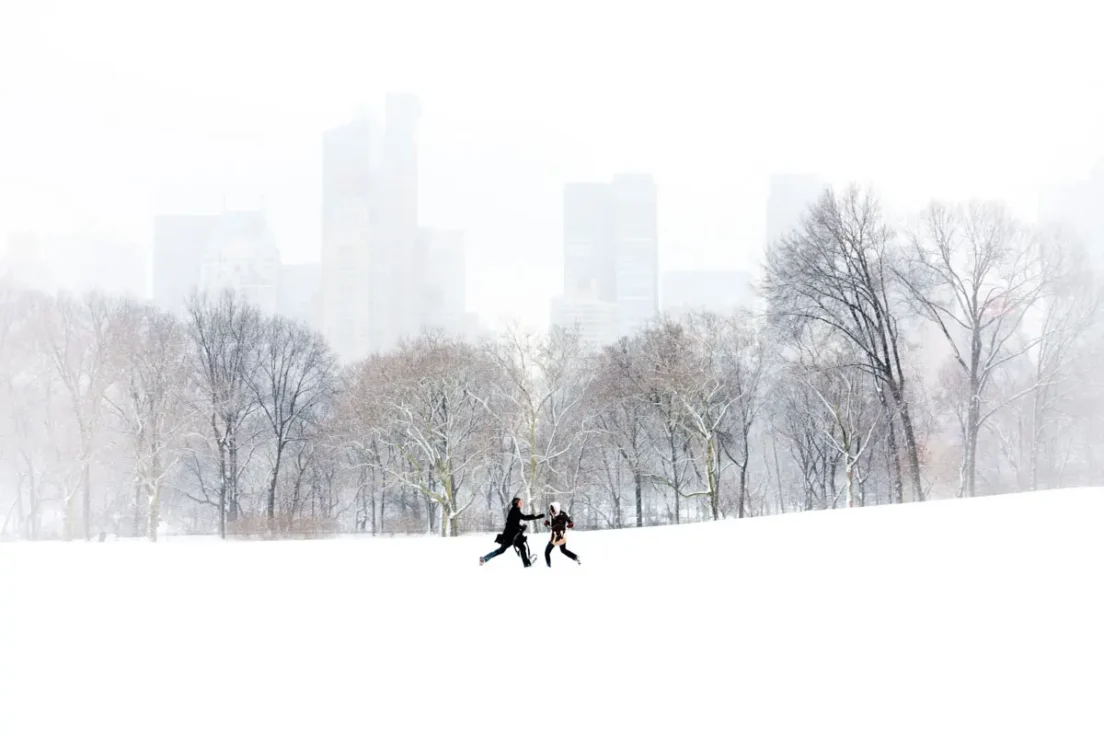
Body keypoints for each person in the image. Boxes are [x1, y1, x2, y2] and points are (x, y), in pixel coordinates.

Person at [480, 497, 544, 567]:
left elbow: (523, 518)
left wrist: (537, 517)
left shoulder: (516, 510)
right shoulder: (514, 511)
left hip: (512, 535)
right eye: (520, 502)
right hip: (510, 536)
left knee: (514, 548)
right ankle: (526, 564)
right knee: (507, 549)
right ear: (516, 503)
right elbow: (512, 523)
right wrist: (521, 527)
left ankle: (484, 559)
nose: (521, 503)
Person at [543, 501, 581, 567]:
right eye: (551, 510)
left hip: (560, 536)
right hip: (554, 535)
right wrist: (547, 523)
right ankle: (575, 557)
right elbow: (553, 525)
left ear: (556, 508)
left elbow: (570, 522)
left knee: (549, 552)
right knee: (561, 550)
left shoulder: (563, 514)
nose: (552, 511)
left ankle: (548, 567)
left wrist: (570, 524)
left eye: (553, 510)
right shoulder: (552, 514)